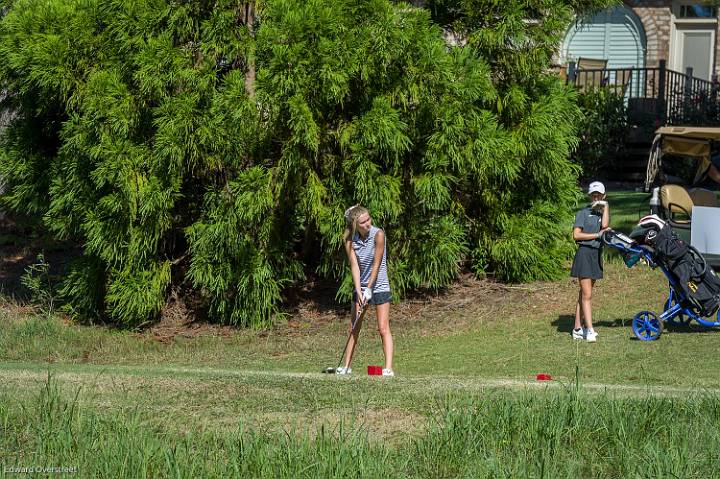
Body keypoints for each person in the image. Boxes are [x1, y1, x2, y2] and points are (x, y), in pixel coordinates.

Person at [335, 204, 394, 376]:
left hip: (380, 286)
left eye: (368, 219)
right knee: (354, 327)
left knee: (383, 328)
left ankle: (388, 368)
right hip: (362, 287)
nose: (368, 223)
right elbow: (354, 266)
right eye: (363, 222)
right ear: (355, 225)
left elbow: (377, 263)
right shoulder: (350, 240)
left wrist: (369, 288)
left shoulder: (379, 234)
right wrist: (359, 290)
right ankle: (346, 367)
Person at [570, 181, 610, 342]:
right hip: (584, 254)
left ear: (603, 196)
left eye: (599, 194)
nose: (596, 197)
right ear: (589, 195)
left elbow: (605, 225)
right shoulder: (583, 213)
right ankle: (590, 330)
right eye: (593, 194)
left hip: (596, 255)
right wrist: (597, 235)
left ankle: (577, 329)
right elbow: (576, 235)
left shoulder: (602, 214)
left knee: (583, 294)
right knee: (587, 294)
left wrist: (606, 207)